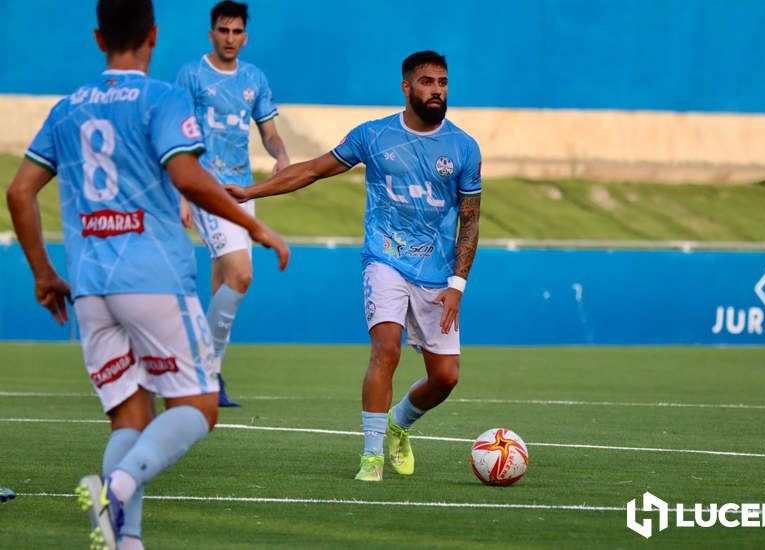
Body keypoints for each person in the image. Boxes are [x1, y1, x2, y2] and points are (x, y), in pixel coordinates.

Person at [5, 1, 289, 547]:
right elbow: (187, 174)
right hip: (153, 278)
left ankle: (126, 539)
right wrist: (254, 228)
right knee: (200, 406)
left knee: (131, 415)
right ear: (153, 36)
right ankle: (118, 484)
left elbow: (19, 192)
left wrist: (44, 274)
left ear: (97, 37)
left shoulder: (67, 108)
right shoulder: (161, 97)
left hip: (89, 288)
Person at [226, 50, 482, 481]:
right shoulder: (373, 136)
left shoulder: (464, 147)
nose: (436, 90)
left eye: (442, 82)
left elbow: (470, 221)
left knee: (446, 378)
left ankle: (400, 423)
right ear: (406, 87)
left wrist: (457, 283)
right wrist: (253, 192)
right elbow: (310, 171)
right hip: (385, 259)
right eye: (426, 82)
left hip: (438, 274)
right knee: (386, 349)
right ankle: (371, 455)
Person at [175, 0, 290, 407]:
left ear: (246, 35)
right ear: (211, 33)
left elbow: (269, 132)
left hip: (242, 191)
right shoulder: (191, 75)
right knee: (241, 275)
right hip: (206, 189)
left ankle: (209, 379)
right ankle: (201, 368)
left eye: (236, 31)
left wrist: (279, 154)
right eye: (222, 30)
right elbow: (177, 137)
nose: (229, 38)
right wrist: (182, 194)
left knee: (224, 283)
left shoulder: (254, 78)